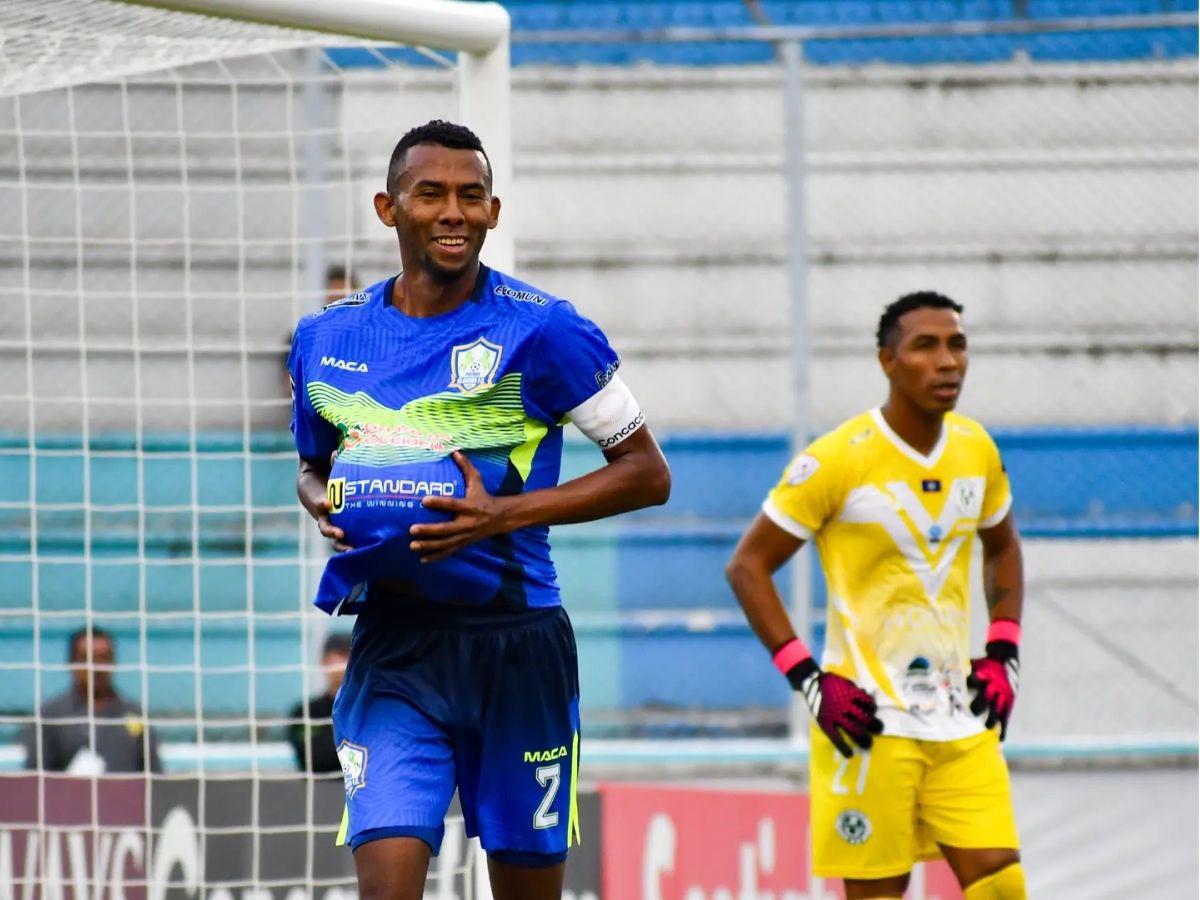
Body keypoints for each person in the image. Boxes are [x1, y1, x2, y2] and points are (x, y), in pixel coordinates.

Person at [287, 119, 670, 900]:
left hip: (516, 646)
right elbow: (313, 465)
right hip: (394, 647)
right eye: (431, 194)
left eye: (472, 196)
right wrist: (323, 502)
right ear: (388, 209)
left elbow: (646, 473)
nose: (454, 211)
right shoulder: (326, 337)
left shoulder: (545, 330)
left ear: (494, 212)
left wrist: (503, 516)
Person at [726, 291, 1026, 899]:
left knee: (1002, 886)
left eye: (957, 345)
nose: (948, 362)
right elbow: (748, 566)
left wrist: (1003, 650)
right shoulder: (838, 459)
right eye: (926, 346)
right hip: (864, 723)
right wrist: (809, 679)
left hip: (960, 720)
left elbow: (1003, 547)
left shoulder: (976, 450)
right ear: (887, 361)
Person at [20, 625, 161, 774]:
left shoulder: (134, 713)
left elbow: (154, 775)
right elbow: (35, 780)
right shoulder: (50, 716)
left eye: (103, 658)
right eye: (87, 658)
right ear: (72, 662)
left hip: (126, 797)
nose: (96, 667)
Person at [287, 632, 352, 773]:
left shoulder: (373, 710)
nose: (345, 663)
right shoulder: (305, 713)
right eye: (340, 656)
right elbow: (315, 759)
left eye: (349, 656)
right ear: (325, 661)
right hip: (318, 791)